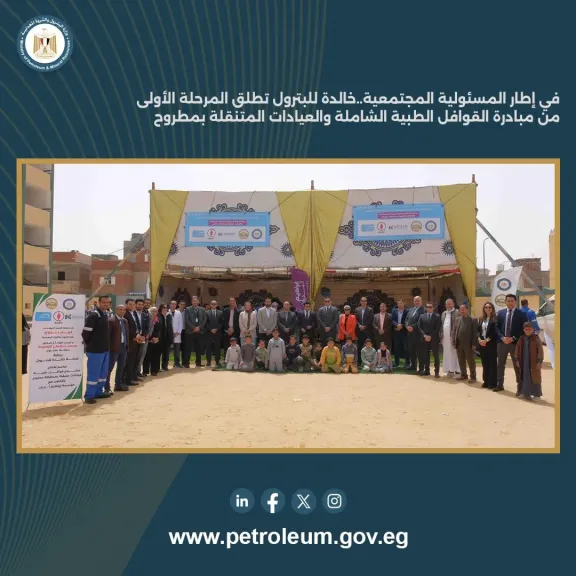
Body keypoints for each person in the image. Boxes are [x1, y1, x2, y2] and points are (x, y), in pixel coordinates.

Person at [82, 295, 112, 404]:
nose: (106, 304)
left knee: (103, 374)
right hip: (95, 351)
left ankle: (99, 392)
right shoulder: (94, 315)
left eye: (108, 302)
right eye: (104, 302)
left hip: (105, 350)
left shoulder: (105, 314)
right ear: (99, 303)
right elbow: (86, 333)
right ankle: (89, 396)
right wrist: (90, 344)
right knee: (93, 374)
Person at [495, 294, 527, 394]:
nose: (510, 302)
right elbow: (497, 327)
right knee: (500, 364)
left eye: (512, 301)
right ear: (505, 302)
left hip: (515, 344)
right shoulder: (500, 313)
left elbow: (524, 329)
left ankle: (520, 388)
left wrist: (513, 338)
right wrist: (502, 337)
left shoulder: (521, 314)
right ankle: (499, 385)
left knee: (517, 365)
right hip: (502, 343)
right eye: (508, 301)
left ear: (515, 302)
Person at [515, 322, 544, 400]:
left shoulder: (536, 339)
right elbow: (517, 349)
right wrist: (517, 360)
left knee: (535, 377)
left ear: (533, 329)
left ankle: (536, 395)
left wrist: (539, 361)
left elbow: (540, 351)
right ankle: (525, 393)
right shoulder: (521, 339)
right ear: (523, 330)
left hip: (533, 363)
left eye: (529, 329)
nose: (528, 331)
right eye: (526, 329)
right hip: (523, 362)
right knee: (524, 377)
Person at [107, 304, 129, 393]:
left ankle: (118, 385)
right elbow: (108, 336)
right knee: (109, 368)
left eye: (124, 310)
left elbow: (126, 334)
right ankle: (107, 387)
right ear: (116, 310)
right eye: (120, 309)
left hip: (124, 347)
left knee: (121, 367)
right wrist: (110, 347)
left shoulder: (125, 321)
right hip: (114, 348)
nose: (122, 311)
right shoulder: (111, 320)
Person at [452, 304, 478, 382]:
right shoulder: (458, 319)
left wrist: (474, 344)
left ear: (467, 309)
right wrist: (454, 342)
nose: (462, 311)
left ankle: (473, 377)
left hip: (469, 344)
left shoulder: (473, 319)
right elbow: (454, 331)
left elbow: (475, 333)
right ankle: (464, 375)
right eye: (460, 309)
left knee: (470, 361)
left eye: (463, 309)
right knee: (461, 360)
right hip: (459, 343)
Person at [477, 301, 498, 389]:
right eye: (486, 307)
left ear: (492, 309)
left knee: (492, 363)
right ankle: (486, 381)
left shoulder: (495, 319)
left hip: (491, 344)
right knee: (484, 363)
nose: (488, 309)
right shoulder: (481, 319)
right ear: (484, 309)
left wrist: (486, 340)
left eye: (489, 307)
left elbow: (495, 333)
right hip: (482, 343)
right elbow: (478, 331)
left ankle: (492, 383)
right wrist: (479, 339)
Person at [418, 303, 441, 377]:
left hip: (434, 339)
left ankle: (436, 372)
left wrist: (430, 336)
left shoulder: (437, 316)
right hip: (424, 339)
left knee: (436, 356)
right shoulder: (422, 316)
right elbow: (419, 327)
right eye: (427, 307)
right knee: (425, 355)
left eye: (430, 307)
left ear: (433, 308)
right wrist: (425, 336)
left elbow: (437, 328)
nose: (428, 308)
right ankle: (427, 370)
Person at [123, 298, 142, 386]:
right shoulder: (125, 314)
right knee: (128, 361)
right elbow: (127, 328)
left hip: (136, 340)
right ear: (126, 304)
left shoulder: (133, 313)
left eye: (133, 304)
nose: (132, 306)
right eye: (130, 304)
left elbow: (137, 325)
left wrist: (139, 334)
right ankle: (127, 380)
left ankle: (132, 377)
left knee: (134, 360)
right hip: (130, 340)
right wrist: (135, 336)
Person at [184, 295, 207, 368]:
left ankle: (198, 362)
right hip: (190, 331)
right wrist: (193, 327)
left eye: (196, 301)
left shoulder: (202, 309)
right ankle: (186, 363)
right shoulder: (187, 309)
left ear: (198, 301)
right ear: (191, 302)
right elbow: (186, 320)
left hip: (200, 331)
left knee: (199, 348)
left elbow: (205, 319)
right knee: (188, 348)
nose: (195, 302)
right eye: (193, 301)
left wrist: (199, 327)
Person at [405, 296, 426, 372]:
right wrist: (407, 326)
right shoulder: (411, 309)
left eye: (418, 301)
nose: (416, 302)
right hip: (410, 334)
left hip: (418, 334)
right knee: (411, 350)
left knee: (419, 352)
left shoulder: (424, 310)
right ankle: (413, 366)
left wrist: (412, 327)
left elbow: (421, 321)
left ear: (421, 301)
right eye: (415, 301)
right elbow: (406, 319)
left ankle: (421, 368)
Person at [440, 298, 459, 377]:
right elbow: (442, 325)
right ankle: (449, 370)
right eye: (446, 304)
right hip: (445, 338)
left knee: (455, 353)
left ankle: (458, 371)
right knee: (447, 354)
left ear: (453, 304)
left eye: (449, 304)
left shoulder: (457, 312)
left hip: (454, 337)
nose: (448, 305)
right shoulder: (444, 313)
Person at [144, 306, 163, 376]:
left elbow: (160, 330)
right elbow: (146, 329)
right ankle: (145, 371)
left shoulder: (158, 319)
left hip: (157, 340)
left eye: (155, 311)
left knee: (156, 356)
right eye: (152, 311)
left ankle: (154, 371)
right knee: (147, 356)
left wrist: (157, 338)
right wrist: (151, 338)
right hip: (149, 340)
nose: (154, 312)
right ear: (149, 312)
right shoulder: (147, 319)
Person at [205, 299, 223, 367]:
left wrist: (216, 329)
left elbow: (221, 323)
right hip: (209, 333)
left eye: (215, 304)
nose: (213, 305)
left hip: (217, 333)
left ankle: (217, 361)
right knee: (208, 348)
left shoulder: (220, 312)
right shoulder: (206, 312)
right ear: (210, 305)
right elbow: (206, 323)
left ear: (217, 305)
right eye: (212, 304)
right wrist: (211, 329)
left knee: (217, 347)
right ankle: (208, 361)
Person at [391, 300, 408, 368]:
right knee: (396, 348)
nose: (399, 304)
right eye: (398, 303)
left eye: (401, 303)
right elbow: (392, 320)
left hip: (404, 332)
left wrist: (402, 326)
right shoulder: (394, 311)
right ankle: (396, 362)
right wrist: (397, 325)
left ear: (404, 303)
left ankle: (407, 363)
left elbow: (408, 320)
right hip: (396, 332)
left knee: (406, 348)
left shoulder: (407, 311)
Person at [135, 299, 150, 378]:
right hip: (134, 338)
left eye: (141, 304)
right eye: (139, 304)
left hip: (143, 338)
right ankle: (132, 374)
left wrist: (144, 335)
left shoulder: (145, 315)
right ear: (136, 304)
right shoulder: (133, 314)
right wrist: (137, 336)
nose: (140, 306)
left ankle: (137, 372)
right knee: (134, 356)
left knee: (141, 355)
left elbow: (146, 327)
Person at [172, 300, 185, 368]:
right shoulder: (167, 312)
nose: (173, 305)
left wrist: (178, 332)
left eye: (175, 304)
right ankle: (165, 365)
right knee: (167, 350)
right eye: (172, 304)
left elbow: (181, 323)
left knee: (177, 349)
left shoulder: (178, 313)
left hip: (177, 334)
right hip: (169, 333)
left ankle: (177, 363)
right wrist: (171, 332)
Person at [161, 303, 173, 371]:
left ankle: (165, 365)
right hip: (161, 337)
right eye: (164, 307)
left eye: (166, 308)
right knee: (159, 353)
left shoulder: (169, 315)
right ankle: (157, 367)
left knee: (166, 353)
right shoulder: (159, 315)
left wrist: (171, 337)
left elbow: (170, 327)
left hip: (167, 337)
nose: (165, 309)